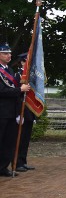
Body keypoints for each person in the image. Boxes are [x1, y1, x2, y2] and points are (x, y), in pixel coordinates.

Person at [0, 43, 30, 177]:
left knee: (9, 142)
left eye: (9, 53)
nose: (8, 55)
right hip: (2, 111)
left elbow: (16, 92)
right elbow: (2, 91)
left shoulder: (11, 71)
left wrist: (19, 112)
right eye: (5, 53)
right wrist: (19, 90)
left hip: (12, 112)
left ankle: (3, 167)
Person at [15, 53, 36, 171]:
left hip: (29, 111)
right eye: (27, 62)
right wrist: (18, 113)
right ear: (23, 62)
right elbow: (17, 95)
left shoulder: (31, 77)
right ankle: (16, 163)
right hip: (22, 110)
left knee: (26, 139)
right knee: (19, 138)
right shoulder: (18, 75)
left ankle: (23, 161)